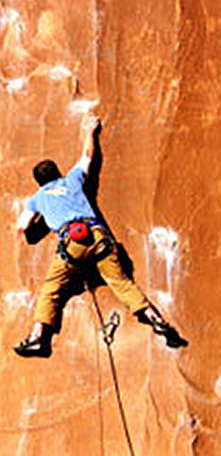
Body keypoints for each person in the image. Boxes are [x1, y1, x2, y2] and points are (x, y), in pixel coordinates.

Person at [14, 119, 187, 358]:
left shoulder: (38, 197)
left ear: (39, 181)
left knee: (51, 289)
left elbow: (23, 227)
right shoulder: (71, 180)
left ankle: (37, 338)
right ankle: (154, 317)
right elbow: (87, 156)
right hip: (99, 236)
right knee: (122, 283)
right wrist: (90, 131)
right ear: (57, 172)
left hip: (72, 243)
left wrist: (43, 217)